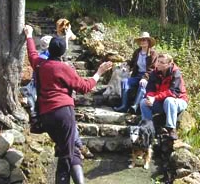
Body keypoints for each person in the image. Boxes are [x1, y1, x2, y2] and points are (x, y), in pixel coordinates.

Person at [24, 25, 112, 184]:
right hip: (63, 113)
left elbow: (31, 53)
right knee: (67, 154)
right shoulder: (64, 68)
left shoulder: (39, 64)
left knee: (69, 149)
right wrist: (99, 72)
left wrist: (29, 35)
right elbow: (85, 87)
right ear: (63, 52)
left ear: (48, 49)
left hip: (45, 115)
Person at [140, 53, 188, 140]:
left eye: (162, 62)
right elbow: (150, 89)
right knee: (143, 103)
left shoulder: (176, 73)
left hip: (178, 101)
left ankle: (171, 129)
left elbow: (173, 92)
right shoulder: (154, 73)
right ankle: (148, 128)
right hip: (161, 101)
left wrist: (155, 98)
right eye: (158, 61)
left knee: (169, 100)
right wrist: (150, 98)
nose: (158, 64)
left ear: (169, 64)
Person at [113, 32, 158, 113]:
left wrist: (145, 78)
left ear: (148, 42)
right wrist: (126, 64)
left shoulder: (153, 53)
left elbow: (152, 68)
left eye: (144, 40)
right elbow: (133, 62)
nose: (142, 41)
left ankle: (135, 106)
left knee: (142, 84)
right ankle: (124, 106)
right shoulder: (137, 52)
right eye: (141, 40)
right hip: (137, 75)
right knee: (124, 81)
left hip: (148, 77)